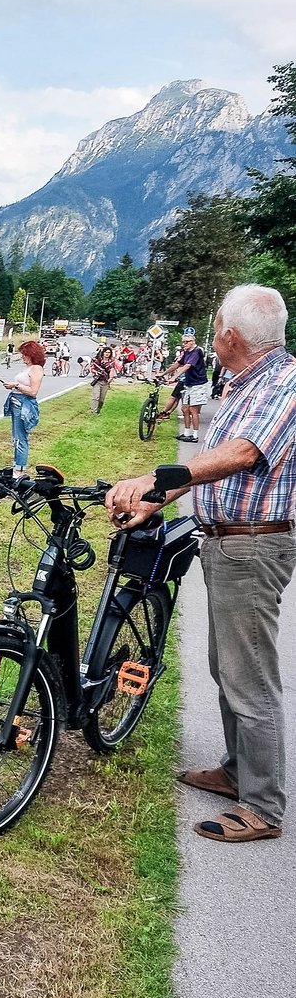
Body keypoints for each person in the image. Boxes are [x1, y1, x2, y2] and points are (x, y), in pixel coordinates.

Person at [106, 284, 296, 844]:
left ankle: (262, 806)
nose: (212, 338)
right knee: (226, 664)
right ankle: (238, 772)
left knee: (249, 675)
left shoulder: (283, 384)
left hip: (253, 545)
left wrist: (156, 477)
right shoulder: (245, 385)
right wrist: (154, 501)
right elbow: (214, 469)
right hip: (225, 539)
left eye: (215, 329)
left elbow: (241, 455)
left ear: (231, 335)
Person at [1, 339, 46, 475]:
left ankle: (20, 469)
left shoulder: (36, 369)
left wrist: (16, 385)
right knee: (16, 437)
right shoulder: (28, 368)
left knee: (21, 437)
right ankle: (17, 465)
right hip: (16, 402)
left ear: (32, 354)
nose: (23, 357)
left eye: (25, 354)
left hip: (24, 404)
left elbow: (33, 391)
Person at [166, 326, 208, 443]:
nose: (184, 344)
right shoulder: (186, 352)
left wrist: (175, 377)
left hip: (197, 384)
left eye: (186, 342)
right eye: (183, 342)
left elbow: (187, 366)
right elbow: (177, 364)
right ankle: (186, 433)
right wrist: (163, 373)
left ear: (192, 342)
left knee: (193, 410)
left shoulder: (197, 351)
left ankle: (195, 435)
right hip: (188, 383)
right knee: (185, 409)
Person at [88, 345, 114, 413]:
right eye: (106, 352)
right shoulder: (98, 361)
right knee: (96, 397)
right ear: (103, 353)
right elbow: (92, 368)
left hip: (105, 382)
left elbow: (112, 370)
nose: (107, 354)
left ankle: (98, 410)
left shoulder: (111, 362)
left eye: (109, 352)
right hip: (97, 381)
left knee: (101, 399)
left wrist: (110, 379)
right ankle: (93, 411)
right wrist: (96, 372)